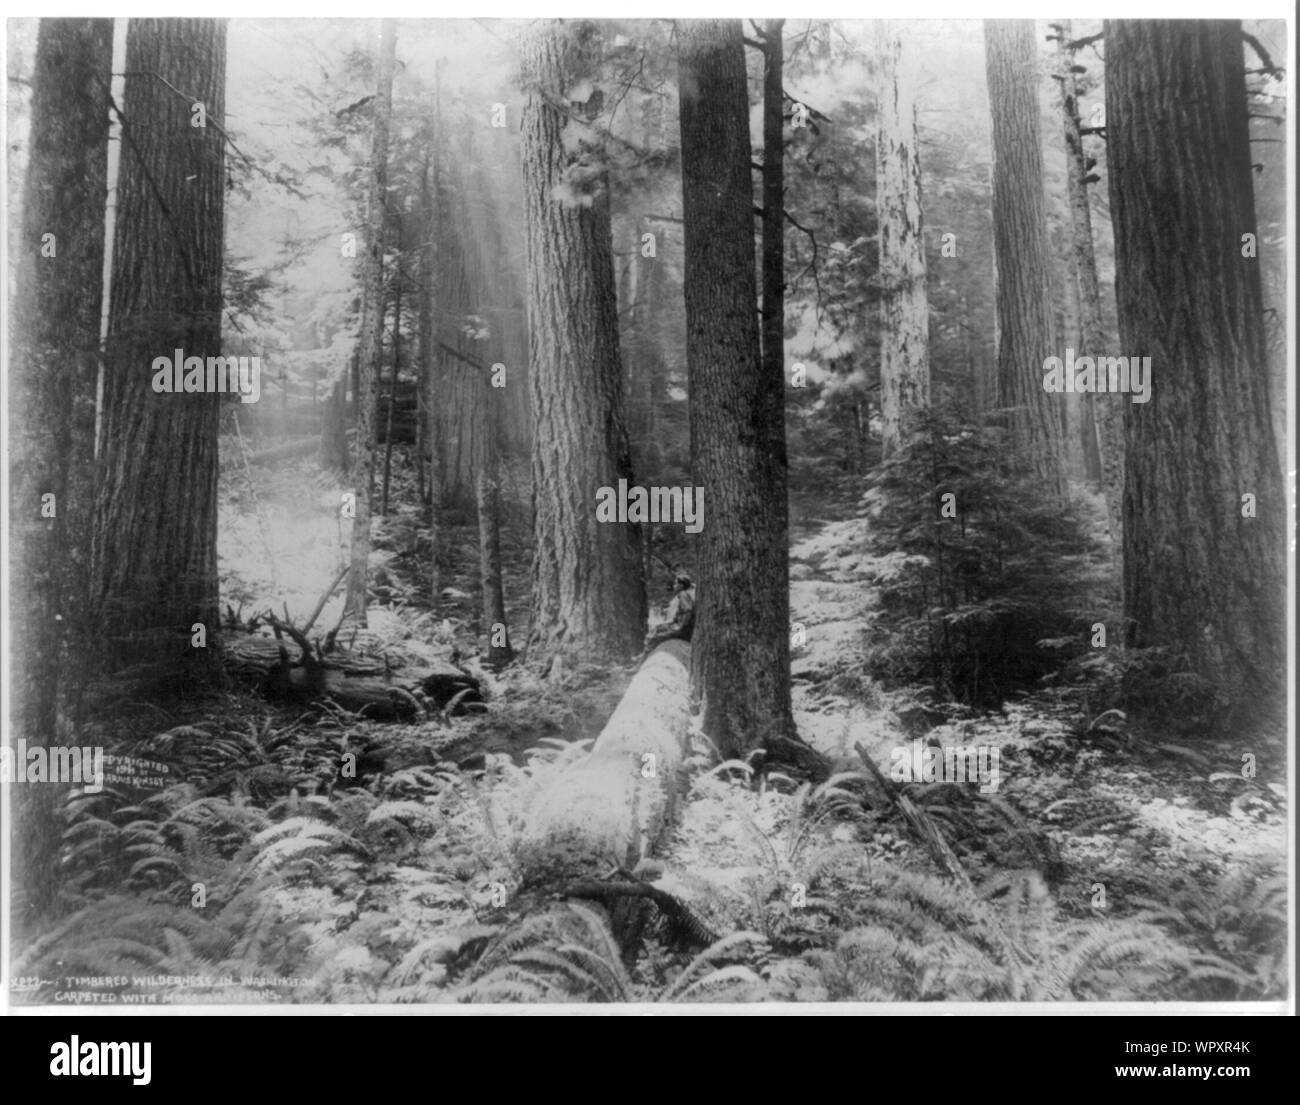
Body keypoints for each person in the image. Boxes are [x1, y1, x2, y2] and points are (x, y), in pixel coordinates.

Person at [638, 573, 695, 663]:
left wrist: (679, 627)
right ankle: (642, 655)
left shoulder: (683, 595)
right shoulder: (683, 594)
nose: (674, 586)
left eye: (676, 584)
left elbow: (688, 611)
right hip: (682, 628)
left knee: (655, 637)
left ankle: (641, 662)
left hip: (683, 631)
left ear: (681, 585)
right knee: (657, 629)